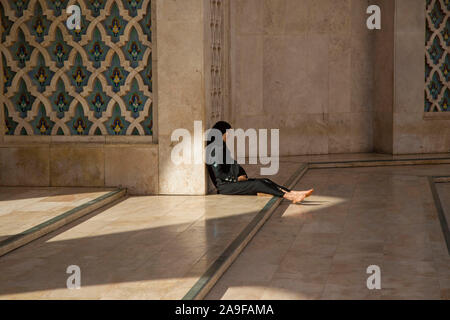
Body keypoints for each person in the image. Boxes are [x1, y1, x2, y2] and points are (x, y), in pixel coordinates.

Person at [206, 121, 314, 204]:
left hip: (231, 183)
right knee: (257, 184)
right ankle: (289, 196)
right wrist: (235, 179)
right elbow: (219, 174)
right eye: (228, 133)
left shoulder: (222, 147)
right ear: (221, 133)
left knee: (265, 181)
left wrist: (241, 174)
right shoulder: (214, 150)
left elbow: (233, 164)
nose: (229, 136)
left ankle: (292, 192)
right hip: (225, 187)